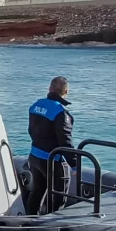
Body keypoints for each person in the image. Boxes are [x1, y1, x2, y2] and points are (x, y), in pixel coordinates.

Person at [25, 76, 75, 215]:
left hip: (34, 157)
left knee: (37, 191)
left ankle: (29, 222)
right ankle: (51, 226)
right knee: (58, 198)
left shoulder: (35, 106)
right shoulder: (60, 112)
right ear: (66, 91)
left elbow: (31, 130)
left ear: (49, 89)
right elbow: (65, 141)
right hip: (53, 161)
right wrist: (75, 164)